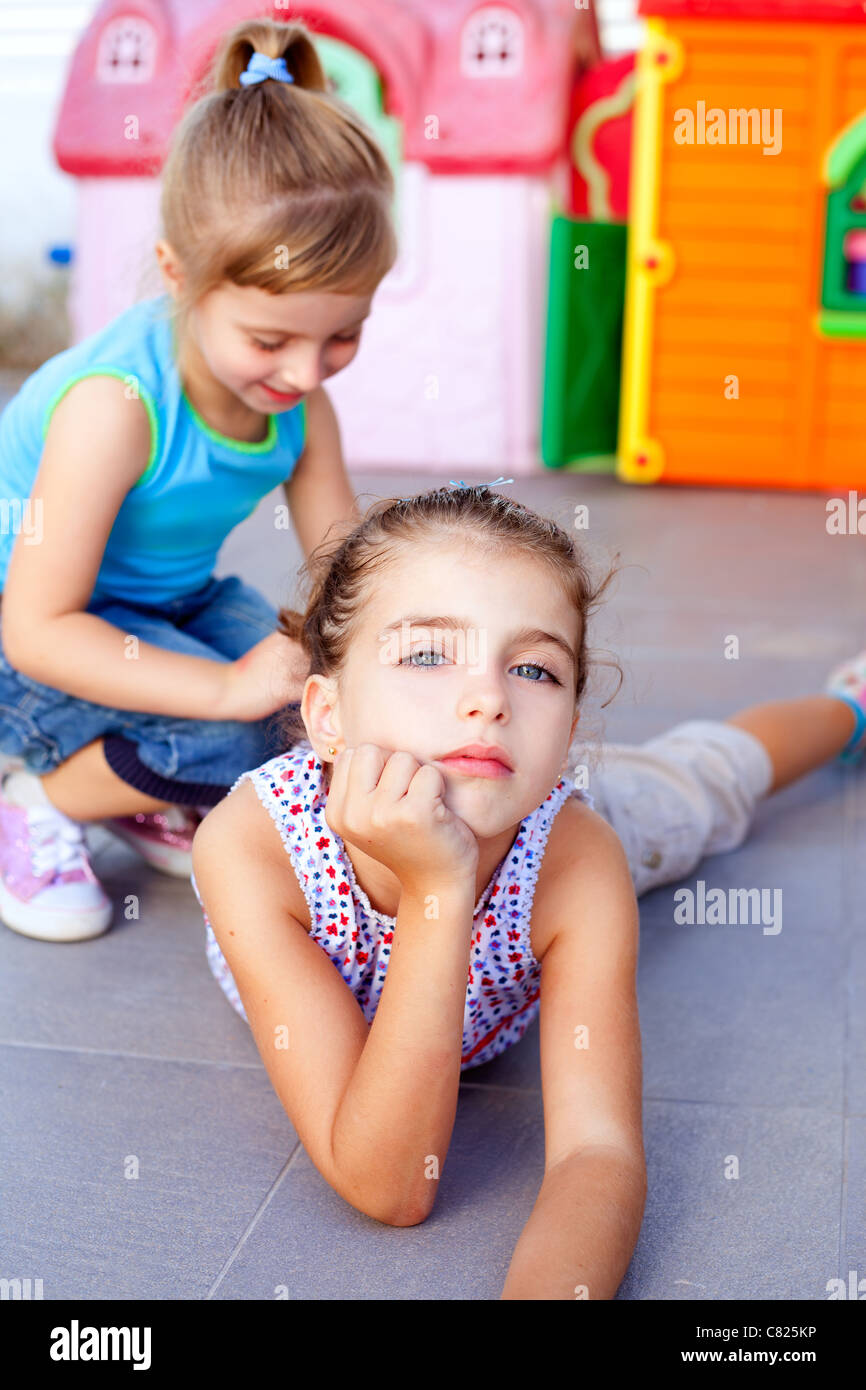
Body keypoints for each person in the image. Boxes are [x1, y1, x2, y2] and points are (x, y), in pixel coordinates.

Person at [190, 483, 866, 1299]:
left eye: (535, 669)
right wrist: (439, 889)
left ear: (571, 726)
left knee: (705, 780)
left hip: (553, 823)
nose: (490, 700)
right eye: (429, 654)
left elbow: (598, 1153)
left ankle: (848, 706)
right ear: (328, 715)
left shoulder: (580, 858)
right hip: (422, 850)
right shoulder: (250, 849)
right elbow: (390, 1185)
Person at [0, 17, 397, 942]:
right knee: (240, 732)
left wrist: (390, 654)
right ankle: (44, 800)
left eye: (343, 333)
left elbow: (344, 568)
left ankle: (140, 780)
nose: (304, 374)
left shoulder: (297, 400)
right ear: (179, 277)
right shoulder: (115, 408)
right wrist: (225, 692)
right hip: (30, 634)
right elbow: (36, 629)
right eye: (270, 341)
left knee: (310, 711)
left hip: (165, 605)